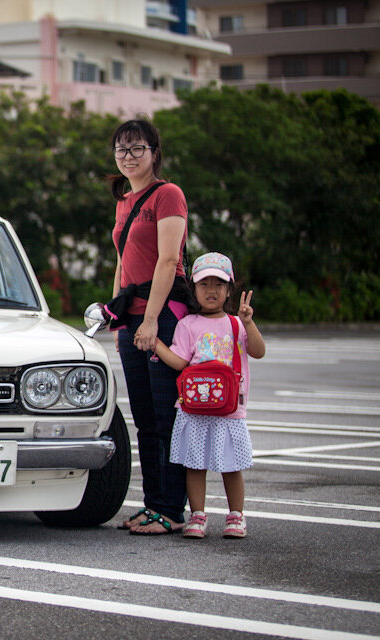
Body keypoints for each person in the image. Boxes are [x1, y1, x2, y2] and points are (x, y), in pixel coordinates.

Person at [108, 119, 193, 535]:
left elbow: (166, 260)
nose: (129, 157)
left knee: (166, 417)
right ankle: (153, 504)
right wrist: (116, 312)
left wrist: (152, 320)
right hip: (131, 318)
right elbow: (122, 261)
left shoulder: (168, 195)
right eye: (121, 150)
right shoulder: (124, 201)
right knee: (143, 418)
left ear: (154, 152)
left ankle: (172, 510)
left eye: (137, 149)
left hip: (163, 315)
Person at [153, 252, 266, 539]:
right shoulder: (188, 324)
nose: (212, 290)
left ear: (229, 289)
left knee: (232, 466)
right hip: (195, 408)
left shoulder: (236, 324)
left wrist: (249, 323)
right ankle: (198, 515)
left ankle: (236, 516)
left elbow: (258, 351)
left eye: (219, 284)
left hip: (229, 410)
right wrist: (155, 344)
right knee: (195, 465)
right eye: (204, 284)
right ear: (193, 289)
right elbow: (179, 361)